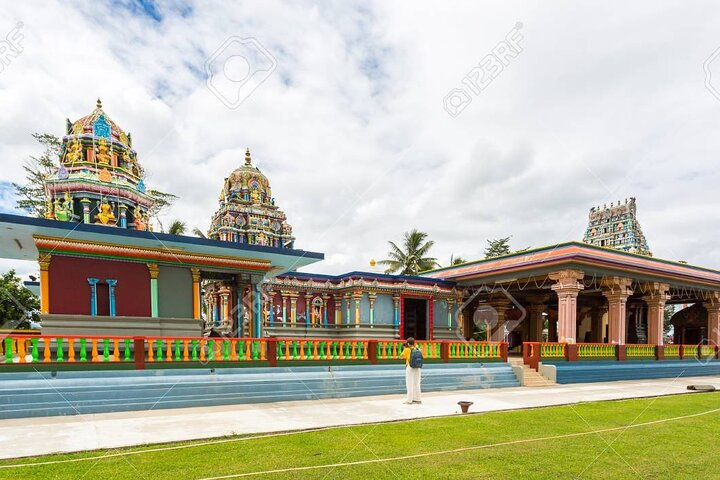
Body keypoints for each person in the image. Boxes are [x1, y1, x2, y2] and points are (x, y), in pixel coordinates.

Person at [401, 337, 422, 404]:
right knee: (417, 383)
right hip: (418, 367)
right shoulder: (418, 349)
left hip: (410, 367)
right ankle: (418, 399)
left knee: (409, 384)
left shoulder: (407, 349)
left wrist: (404, 349)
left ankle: (409, 400)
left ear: (408, 343)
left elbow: (401, 357)